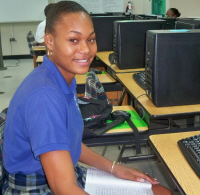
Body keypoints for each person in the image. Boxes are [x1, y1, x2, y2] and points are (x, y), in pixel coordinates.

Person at [2, 1, 173, 194]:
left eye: (90, 39)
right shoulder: (45, 95)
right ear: (49, 41)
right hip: (38, 187)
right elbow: (63, 188)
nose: (86, 49)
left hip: (65, 173)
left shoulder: (61, 78)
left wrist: (115, 168)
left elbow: (69, 143)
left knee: (159, 191)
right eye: (74, 40)